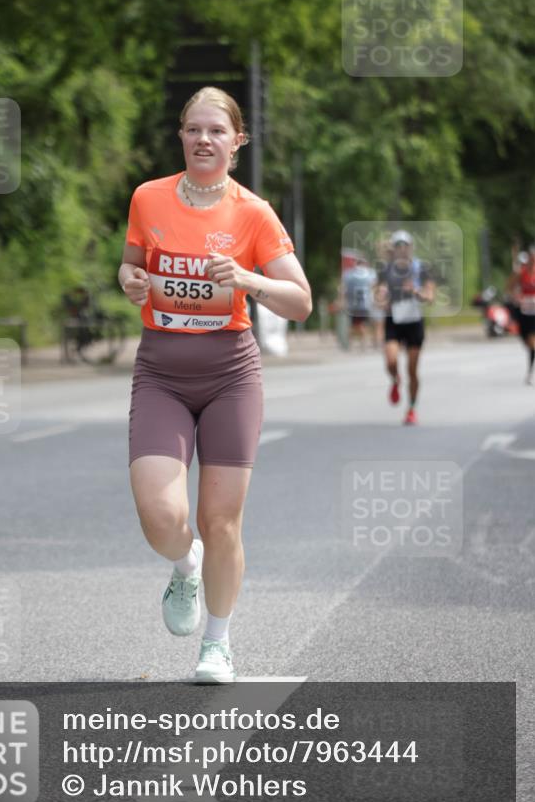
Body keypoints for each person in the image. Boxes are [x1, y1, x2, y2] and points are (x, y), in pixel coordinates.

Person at [118, 87, 312, 682]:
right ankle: (185, 568)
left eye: (217, 131)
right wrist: (129, 279)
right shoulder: (148, 197)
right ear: (181, 135)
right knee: (159, 514)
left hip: (230, 374)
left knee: (221, 521)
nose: (204, 139)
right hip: (161, 372)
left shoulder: (253, 212)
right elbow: (131, 263)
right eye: (194, 129)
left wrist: (249, 279)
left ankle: (217, 644)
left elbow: (301, 302)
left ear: (237, 141)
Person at [375, 230, 435, 425]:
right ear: (393, 249)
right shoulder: (385, 270)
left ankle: (411, 409)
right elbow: (377, 296)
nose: (401, 249)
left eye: (404, 245)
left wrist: (416, 292)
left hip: (414, 322)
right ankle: (395, 380)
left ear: (410, 248)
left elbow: (430, 296)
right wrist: (381, 297)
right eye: (397, 246)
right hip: (393, 320)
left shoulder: (421, 268)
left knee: (412, 370)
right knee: (391, 361)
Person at [507, 243, 535, 384]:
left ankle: (530, 373)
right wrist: (516, 297)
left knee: (532, 342)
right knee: (525, 340)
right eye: (531, 258)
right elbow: (509, 287)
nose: (533, 262)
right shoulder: (521, 273)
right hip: (524, 311)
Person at [339, 254, 378, 350]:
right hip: (365, 304)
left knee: (353, 325)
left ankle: (349, 344)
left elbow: (343, 289)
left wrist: (342, 301)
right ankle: (364, 344)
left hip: (352, 304)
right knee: (365, 324)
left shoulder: (348, 274)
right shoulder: (370, 274)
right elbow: (374, 287)